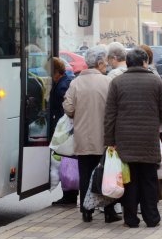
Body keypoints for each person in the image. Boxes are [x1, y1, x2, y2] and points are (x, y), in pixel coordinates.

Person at [104, 47, 162, 228]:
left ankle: (131, 219)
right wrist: (153, 116)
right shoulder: (156, 81)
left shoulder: (117, 82)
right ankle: (151, 218)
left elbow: (109, 114)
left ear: (127, 63)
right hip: (148, 139)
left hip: (124, 141)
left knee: (129, 180)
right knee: (149, 179)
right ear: (144, 62)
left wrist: (110, 141)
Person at [62, 46, 118, 223]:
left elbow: (68, 107)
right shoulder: (108, 82)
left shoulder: (75, 83)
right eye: (105, 62)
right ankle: (109, 211)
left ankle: (86, 211)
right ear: (100, 63)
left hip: (83, 138)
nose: (106, 65)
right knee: (106, 173)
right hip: (104, 138)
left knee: (85, 174)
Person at [49, 56, 78, 206]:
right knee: (68, 161)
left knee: (66, 161)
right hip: (68, 129)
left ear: (56, 72)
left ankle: (69, 195)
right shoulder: (65, 81)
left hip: (65, 130)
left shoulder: (61, 87)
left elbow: (65, 109)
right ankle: (69, 194)